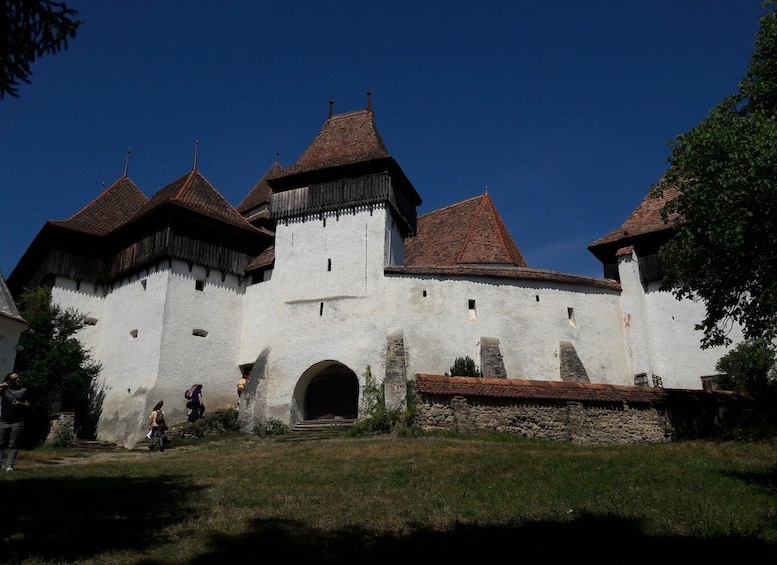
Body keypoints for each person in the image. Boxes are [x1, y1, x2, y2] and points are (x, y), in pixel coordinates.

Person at [0, 372, 31, 471]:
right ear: (9, 381)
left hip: (17, 422)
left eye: (18, 378)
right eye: (14, 379)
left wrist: (20, 404)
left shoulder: (24, 390)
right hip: (3, 420)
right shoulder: (4, 390)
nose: (17, 380)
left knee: (13, 445)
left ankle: (9, 466)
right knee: (0, 443)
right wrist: (1, 385)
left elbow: (28, 404)